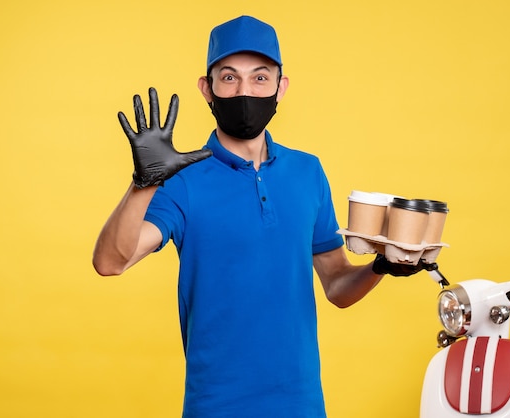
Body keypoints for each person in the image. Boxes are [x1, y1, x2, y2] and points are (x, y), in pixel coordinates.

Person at [93, 15, 427, 418]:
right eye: (229, 78)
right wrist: (143, 184)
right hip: (215, 405)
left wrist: (380, 266)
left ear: (280, 87)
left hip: (301, 403)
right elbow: (110, 262)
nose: (245, 90)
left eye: (260, 78)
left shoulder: (308, 172)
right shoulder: (183, 182)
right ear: (207, 89)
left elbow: (337, 285)